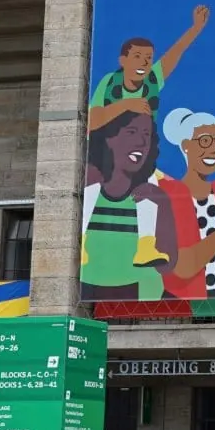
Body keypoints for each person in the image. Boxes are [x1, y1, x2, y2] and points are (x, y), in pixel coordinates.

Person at [157, 107, 215, 301]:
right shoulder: (170, 194)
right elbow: (184, 266)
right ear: (186, 146)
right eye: (205, 141)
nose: (214, 149)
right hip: (181, 306)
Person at [81, 108, 175, 300]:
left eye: (146, 135)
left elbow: (169, 266)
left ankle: (146, 246)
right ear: (109, 138)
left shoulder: (153, 196)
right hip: (88, 292)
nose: (141, 142)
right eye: (131, 132)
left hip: (141, 296)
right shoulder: (89, 187)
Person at [86, 4, 211, 132]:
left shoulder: (152, 78)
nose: (144, 62)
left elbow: (176, 51)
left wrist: (196, 28)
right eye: (137, 56)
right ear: (123, 61)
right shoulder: (110, 81)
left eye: (149, 57)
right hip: (110, 142)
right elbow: (92, 121)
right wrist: (127, 104)